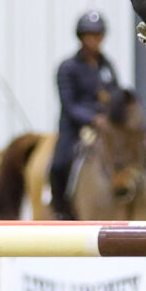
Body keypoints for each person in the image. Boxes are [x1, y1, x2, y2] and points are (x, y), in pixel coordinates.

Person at [48, 11, 119, 219]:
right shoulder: (68, 67)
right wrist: (93, 118)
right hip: (75, 126)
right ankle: (60, 208)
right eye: (90, 35)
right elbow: (69, 104)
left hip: (106, 124)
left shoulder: (107, 66)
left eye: (98, 35)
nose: (94, 40)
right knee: (60, 163)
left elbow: (115, 94)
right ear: (81, 37)